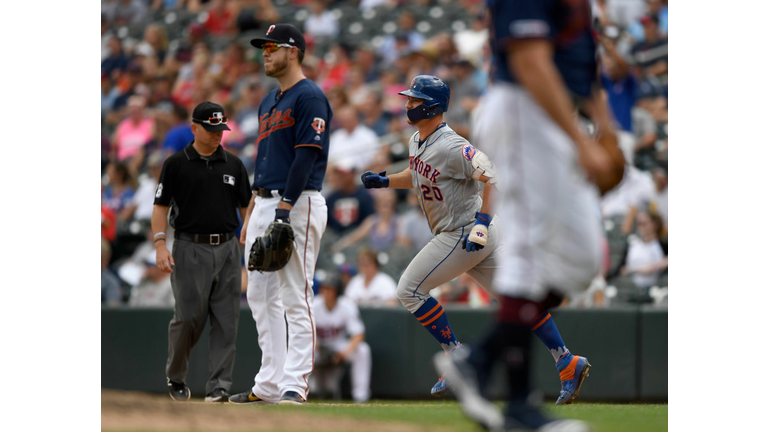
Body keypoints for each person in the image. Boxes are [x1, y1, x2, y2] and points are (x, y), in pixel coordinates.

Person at [433, 1, 622, 430]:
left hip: (559, 113)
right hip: (526, 107)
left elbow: (581, 60)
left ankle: (478, 361)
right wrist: (582, 141)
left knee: (582, 260)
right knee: (530, 259)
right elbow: (530, 60)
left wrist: (605, 131)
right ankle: (520, 405)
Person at [361, 75, 587, 403]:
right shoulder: (417, 141)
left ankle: (455, 354)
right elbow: (418, 174)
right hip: (472, 234)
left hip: (466, 231)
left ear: (433, 106)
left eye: (414, 100)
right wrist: (385, 182)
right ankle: (567, 361)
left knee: (408, 290)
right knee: (516, 303)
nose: (408, 104)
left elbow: (493, 174)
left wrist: (482, 223)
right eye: (409, 99)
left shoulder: (453, 145)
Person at [229, 23, 332, 406]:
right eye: (263, 47)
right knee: (258, 294)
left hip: (298, 201)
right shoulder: (269, 100)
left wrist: (284, 209)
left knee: (295, 293)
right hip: (265, 200)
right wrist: (255, 203)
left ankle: (294, 383)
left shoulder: (310, 97)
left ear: (293, 51)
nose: (264, 53)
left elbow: (307, 154)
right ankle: (269, 383)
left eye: (271, 47)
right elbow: (267, 157)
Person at [152, 101, 252, 403]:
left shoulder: (234, 164)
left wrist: (247, 241)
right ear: (194, 128)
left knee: (227, 320)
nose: (216, 134)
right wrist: (159, 244)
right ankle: (176, 376)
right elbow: (160, 207)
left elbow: (247, 207)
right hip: (188, 246)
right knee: (187, 318)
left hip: (227, 248)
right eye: (210, 129)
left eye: (220, 129)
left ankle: (219, 387)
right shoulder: (175, 164)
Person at [311, 274, 372, 403]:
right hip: (318, 346)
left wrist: (342, 354)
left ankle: (361, 396)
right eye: (324, 288)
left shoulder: (347, 305)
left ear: (337, 291)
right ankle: (299, 390)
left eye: (330, 289)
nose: (326, 292)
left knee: (363, 350)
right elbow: (306, 333)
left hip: (338, 345)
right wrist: (320, 348)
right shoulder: (314, 304)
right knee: (300, 349)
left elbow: (358, 335)